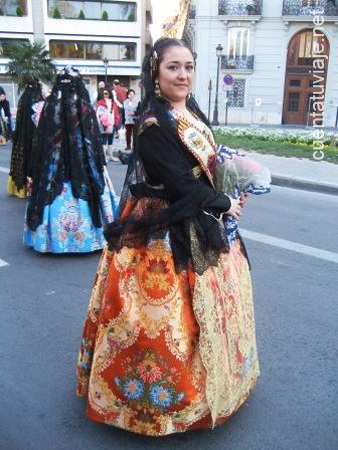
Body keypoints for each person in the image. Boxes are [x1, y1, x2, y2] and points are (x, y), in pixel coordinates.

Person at [76, 38, 259, 436]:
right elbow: (179, 185)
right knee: (160, 321)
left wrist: (233, 177)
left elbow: (204, 165)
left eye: (189, 66)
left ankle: (222, 380)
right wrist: (224, 202)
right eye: (173, 67)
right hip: (163, 228)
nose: (183, 75)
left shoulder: (189, 112)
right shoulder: (152, 125)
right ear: (156, 74)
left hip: (199, 216)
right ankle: (160, 405)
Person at [24, 67, 119, 253]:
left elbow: (43, 139)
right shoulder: (83, 105)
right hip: (82, 160)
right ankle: (89, 238)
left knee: (50, 194)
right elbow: (92, 137)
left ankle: (49, 240)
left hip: (55, 162)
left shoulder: (51, 105)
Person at [7, 79, 44, 198]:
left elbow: (18, 120)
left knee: (23, 160)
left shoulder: (23, 99)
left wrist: (16, 136)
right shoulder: (40, 100)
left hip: (23, 138)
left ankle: (22, 188)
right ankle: (34, 188)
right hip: (37, 138)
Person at [95, 88, 120, 162]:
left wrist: (116, 123)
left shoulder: (113, 103)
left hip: (112, 123)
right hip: (104, 124)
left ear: (110, 94)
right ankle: (104, 156)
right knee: (104, 140)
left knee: (110, 140)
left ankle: (110, 155)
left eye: (106, 93)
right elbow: (97, 114)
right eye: (103, 93)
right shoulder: (100, 102)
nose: (105, 95)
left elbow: (116, 113)